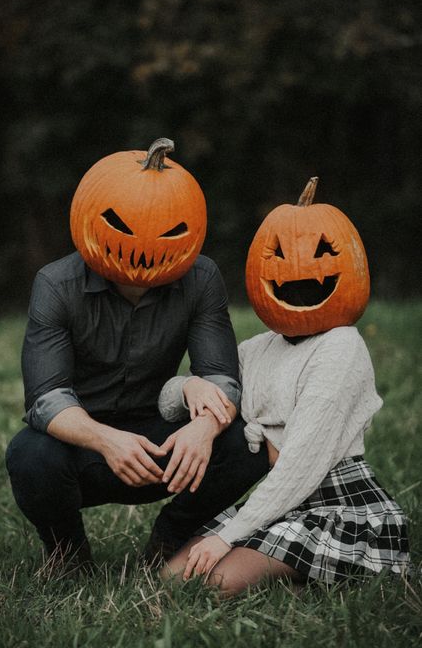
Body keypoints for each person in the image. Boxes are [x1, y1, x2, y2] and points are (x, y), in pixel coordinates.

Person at [5, 138, 269, 572]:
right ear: (91, 216)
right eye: (122, 225)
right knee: (30, 454)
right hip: (84, 447)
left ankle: (171, 536)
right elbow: (45, 398)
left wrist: (203, 428)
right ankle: (67, 553)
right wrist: (107, 440)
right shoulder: (55, 284)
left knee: (249, 439)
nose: (144, 243)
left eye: (169, 230)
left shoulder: (201, 278)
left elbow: (222, 377)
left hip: (162, 441)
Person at [159, 178, 410, 594]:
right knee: (172, 580)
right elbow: (168, 401)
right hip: (277, 503)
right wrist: (189, 388)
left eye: (321, 255)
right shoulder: (259, 350)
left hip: (337, 504)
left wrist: (227, 535)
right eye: (278, 256)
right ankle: (294, 577)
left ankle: (312, 580)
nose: (298, 269)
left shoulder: (341, 346)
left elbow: (301, 466)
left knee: (215, 583)